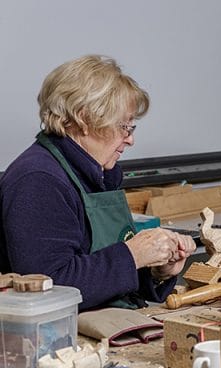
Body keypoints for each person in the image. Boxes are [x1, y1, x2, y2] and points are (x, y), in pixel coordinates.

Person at [0, 55, 196, 310]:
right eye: (124, 127)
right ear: (84, 120)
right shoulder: (38, 181)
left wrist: (157, 271)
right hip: (62, 335)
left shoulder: (95, 172)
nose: (130, 140)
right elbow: (50, 288)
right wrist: (133, 254)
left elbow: (105, 273)